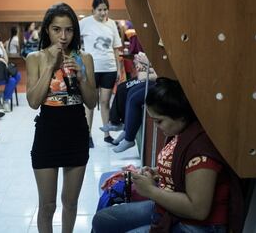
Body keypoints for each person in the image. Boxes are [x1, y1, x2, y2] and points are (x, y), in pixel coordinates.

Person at [92, 77, 244, 233]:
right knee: (103, 220)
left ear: (181, 116)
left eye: (159, 121)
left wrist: (151, 191)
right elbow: (182, 170)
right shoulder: (180, 133)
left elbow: (198, 210)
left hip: (198, 226)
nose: (157, 127)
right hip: (171, 211)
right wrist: (158, 172)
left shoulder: (200, 151)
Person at [26, 2, 97, 233]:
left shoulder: (84, 58)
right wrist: (50, 67)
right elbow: (33, 102)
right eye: (57, 29)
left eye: (68, 30)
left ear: (75, 31)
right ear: (47, 29)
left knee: (71, 202)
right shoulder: (35, 58)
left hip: (76, 132)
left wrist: (81, 76)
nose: (63, 36)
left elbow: (92, 102)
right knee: (47, 205)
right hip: (48, 134)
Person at [80, 0, 122, 147]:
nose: (103, 13)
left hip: (109, 68)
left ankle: (106, 134)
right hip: (91, 69)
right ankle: (87, 135)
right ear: (93, 10)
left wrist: (118, 69)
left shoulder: (112, 24)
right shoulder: (85, 23)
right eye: (100, 10)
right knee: (90, 104)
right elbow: (73, 40)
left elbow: (116, 49)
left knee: (105, 102)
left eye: (105, 10)